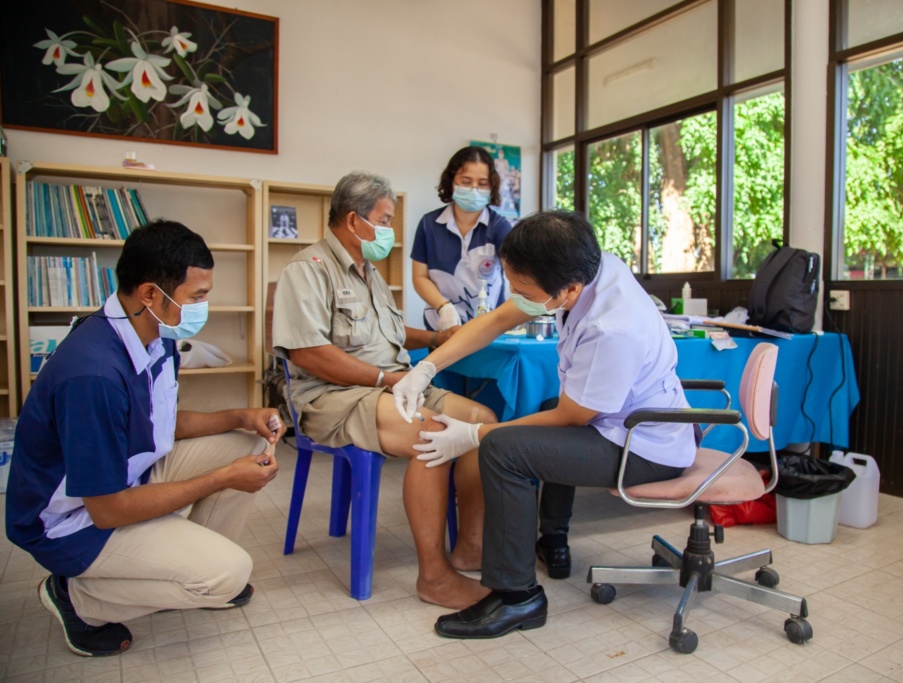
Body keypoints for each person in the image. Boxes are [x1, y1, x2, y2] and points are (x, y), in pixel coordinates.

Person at [392, 210, 698, 639]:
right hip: (629, 420)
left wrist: (474, 436)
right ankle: (552, 537)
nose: (516, 296)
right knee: (540, 413)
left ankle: (518, 598)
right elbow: (497, 319)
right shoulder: (587, 264)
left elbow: (573, 418)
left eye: (523, 291)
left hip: (645, 448)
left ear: (569, 289)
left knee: (505, 450)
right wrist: (426, 368)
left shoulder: (612, 327)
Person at [5, 220, 283, 657]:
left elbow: (161, 423)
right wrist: (223, 478)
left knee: (244, 444)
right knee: (227, 574)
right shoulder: (92, 373)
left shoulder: (152, 334)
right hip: (70, 522)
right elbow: (107, 508)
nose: (202, 307)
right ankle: (77, 599)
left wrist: (242, 416)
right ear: (152, 294)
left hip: (125, 478)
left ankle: (171, 569)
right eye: (197, 297)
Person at [272, 171, 497, 610]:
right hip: (332, 396)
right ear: (354, 221)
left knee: (481, 421)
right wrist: (388, 380)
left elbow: (388, 336)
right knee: (435, 435)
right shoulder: (308, 269)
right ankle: (433, 577)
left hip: (394, 384)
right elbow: (309, 354)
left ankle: (469, 546)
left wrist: (434, 340)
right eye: (385, 219)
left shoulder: (369, 272)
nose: (391, 231)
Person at [411, 146, 514, 331]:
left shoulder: (498, 227)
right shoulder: (429, 225)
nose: (474, 189)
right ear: (451, 181)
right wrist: (445, 308)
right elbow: (420, 276)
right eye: (466, 181)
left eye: (482, 184)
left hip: (489, 328)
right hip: (442, 326)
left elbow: (517, 274)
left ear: (492, 186)